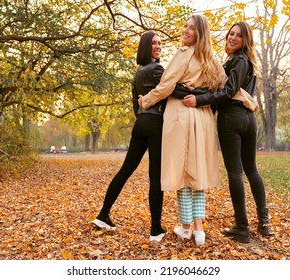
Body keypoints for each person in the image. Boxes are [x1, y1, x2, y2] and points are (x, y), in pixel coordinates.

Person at [92, 31, 202, 242]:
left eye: (160, 43)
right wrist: (198, 93)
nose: (158, 46)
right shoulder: (157, 69)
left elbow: (137, 103)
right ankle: (155, 229)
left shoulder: (138, 72)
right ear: (145, 47)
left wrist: (144, 116)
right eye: (153, 44)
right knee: (155, 177)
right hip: (155, 124)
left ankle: (103, 214)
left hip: (140, 123)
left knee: (125, 170)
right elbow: (171, 89)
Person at [139, 15, 227, 246]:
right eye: (185, 26)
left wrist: (146, 100)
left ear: (199, 33)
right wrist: (249, 100)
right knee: (196, 172)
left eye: (190, 28)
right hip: (203, 118)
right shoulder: (211, 59)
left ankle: (187, 228)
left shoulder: (184, 54)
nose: (185, 31)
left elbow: (166, 85)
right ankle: (198, 230)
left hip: (181, 115)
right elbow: (227, 88)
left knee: (181, 172)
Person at [182, 21, 271, 243]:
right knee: (251, 169)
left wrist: (199, 100)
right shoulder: (245, 62)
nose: (232, 38)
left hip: (233, 119)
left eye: (238, 36)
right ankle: (264, 222)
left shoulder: (239, 60)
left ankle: (242, 226)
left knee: (237, 172)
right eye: (231, 34)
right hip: (249, 119)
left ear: (245, 41)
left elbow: (228, 91)